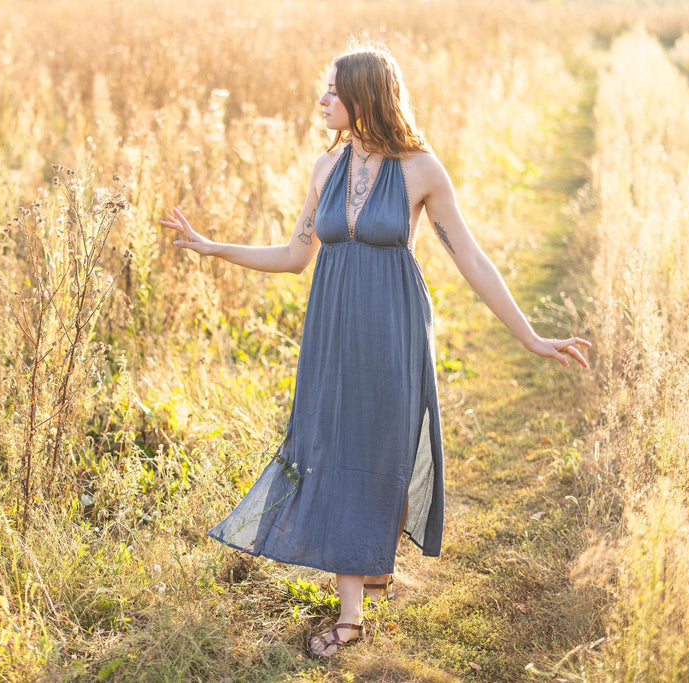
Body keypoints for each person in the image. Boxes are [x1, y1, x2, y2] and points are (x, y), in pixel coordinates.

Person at [160, 44, 590, 658]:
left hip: (393, 326)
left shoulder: (420, 170)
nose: (322, 100)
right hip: (331, 331)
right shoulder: (323, 169)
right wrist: (213, 247)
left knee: (375, 447)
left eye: (332, 90)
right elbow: (292, 256)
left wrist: (530, 335)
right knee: (333, 446)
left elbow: (469, 258)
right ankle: (366, 569)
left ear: (363, 96)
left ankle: (351, 615)